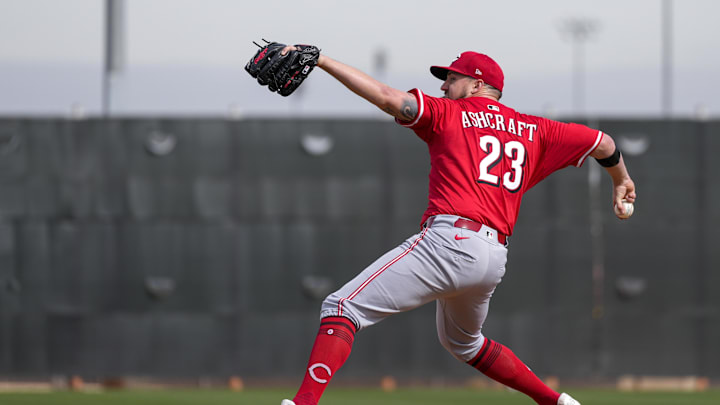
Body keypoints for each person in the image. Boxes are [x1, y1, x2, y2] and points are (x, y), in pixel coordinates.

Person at [278, 47, 636, 405]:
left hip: (451, 240)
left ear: (477, 84)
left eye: (452, 79)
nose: (444, 87)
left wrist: (322, 61)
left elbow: (389, 98)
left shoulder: (451, 113)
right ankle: (554, 401)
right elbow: (603, 143)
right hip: (493, 257)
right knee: (464, 342)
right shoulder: (536, 129)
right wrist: (621, 179)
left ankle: (304, 402)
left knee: (342, 307)